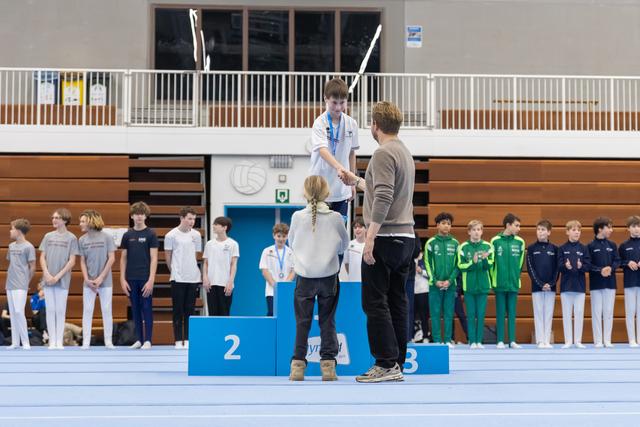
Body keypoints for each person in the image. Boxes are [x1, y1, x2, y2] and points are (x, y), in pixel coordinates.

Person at [339, 101, 415, 383]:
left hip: (385, 236)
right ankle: (396, 362)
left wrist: (369, 237)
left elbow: (383, 197)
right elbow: (384, 190)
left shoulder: (383, 153)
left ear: (375, 125)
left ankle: (384, 362)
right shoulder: (403, 152)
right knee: (397, 300)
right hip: (405, 237)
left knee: (374, 302)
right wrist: (356, 180)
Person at [288, 176, 349, 381]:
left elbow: (291, 243)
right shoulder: (336, 217)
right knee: (327, 321)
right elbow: (343, 245)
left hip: (305, 276)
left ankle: (297, 366)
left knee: (302, 322)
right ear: (327, 193)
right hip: (328, 276)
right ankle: (328, 367)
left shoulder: (297, 217)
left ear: (305, 193)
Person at [309, 77, 359, 220]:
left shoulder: (351, 124)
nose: (338, 107)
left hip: (341, 189)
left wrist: (353, 182)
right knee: (319, 232)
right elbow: (323, 150)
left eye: (342, 103)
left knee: (339, 234)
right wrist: (339, 167)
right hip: (319, 187)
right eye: (334, 103)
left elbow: (351, 152)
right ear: (326, 99)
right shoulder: (319, 123)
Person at [120, 202, 159, 350]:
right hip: (131, 277)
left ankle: (148, 340)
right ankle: (139, 339)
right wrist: (122, 279)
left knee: (146, 307)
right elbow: (123, 258)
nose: (139, 216)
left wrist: (151, 280)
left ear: (145, 216)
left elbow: (154, 258)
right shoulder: (127, 235)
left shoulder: (151, 234)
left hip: (145, 277)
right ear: (132, 216)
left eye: (142, 214)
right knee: (135, 308)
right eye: (136, 214)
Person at [39, 208, 78, 350]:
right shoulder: (48, 236)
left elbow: (72, 261)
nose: (54, 220)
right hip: (48, 279)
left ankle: (59, 341)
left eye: (57, 218)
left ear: (65, 220)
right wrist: (47, 274)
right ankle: (52, 341)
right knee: (50, 310)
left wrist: (57, 276)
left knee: (60, 310)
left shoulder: (72, 238)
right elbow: (42, 257)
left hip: (62, 280)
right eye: (53, 217)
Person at [164, 207, 202, 349]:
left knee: (189, 310)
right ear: (182, 218)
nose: (192, 221)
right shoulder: (171, 235)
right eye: (189, 218)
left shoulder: (197, 235)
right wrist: (174, 271)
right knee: (178, 310)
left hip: (193, 277)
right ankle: (178, 340)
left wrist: (191, 269)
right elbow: (168, 256)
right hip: (177, 277)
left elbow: (197, 255)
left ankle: (188, 339)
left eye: (194, 219)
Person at [78, 210, 116, 349]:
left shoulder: (106, 237)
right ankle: (86, 342)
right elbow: (82, 261)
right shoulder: (82, 240)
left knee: (106, 310)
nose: (80, 224)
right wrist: (87, 279)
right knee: (87, 310)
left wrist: (100, 278)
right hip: (88, 283)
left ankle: (108, 341)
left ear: (91, 221)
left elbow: (111, 258)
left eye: (82, 221)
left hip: (105, 281)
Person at [424, 212, 460, 347]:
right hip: (435, 285)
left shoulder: (455, 243)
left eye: (449, 224)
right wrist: (435, 281)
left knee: (449, 313)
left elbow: (458, 264)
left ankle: (447, 340)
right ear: (437, 225)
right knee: (435, 313)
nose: (446, 226)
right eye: (443, 223)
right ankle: (438, 340)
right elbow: (427, 263)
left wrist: (450, 280)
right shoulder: (431, 243)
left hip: (450, 285)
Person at [491, 213, 525, 349]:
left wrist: (516, 277)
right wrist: (494, 280)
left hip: (513, 283)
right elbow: (492, 263)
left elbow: (520, 263)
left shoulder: (520, 242)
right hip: (499, 283)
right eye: (516, 226)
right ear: (508, 225)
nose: (519, 228)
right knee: (500, 312)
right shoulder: (495, 241)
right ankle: (500, 340)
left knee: (512, 313)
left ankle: (512, 340)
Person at [458, 220, 494, 349]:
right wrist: (472, 263)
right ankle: (472, 341)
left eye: (479, 229)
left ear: (482, 231)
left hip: (483, 286)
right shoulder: (463, 247)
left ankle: (479, 341)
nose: (476, 232)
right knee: (471, 314)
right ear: (469, 232)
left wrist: (484, 260)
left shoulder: (488, 246)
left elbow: (489, 265)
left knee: (481, 314)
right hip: (469, 286)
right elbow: (460, 266)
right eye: (474, 230)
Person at [588, 216, 620, 348]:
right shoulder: (590, 246)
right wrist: (600, 270)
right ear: (600, 229)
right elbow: (587, 264)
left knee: (608, 311)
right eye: (609, 227)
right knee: (596, 312)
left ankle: (607, 339)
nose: (611, 230)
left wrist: (610, 268)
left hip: (610, 284)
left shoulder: (612, 245)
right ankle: (598, 340)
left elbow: (617, 261)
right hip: (596, 284)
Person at [527, 219, 559, 349]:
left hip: (551, 287)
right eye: (538, 229)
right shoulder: (531, 248)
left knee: (548, 313)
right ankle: (540, 340)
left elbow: (557, 269)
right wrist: (540, 284)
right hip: (537, 287)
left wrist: (550, 283)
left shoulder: (555, 249)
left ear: (549, 232)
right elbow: (530, 268)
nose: (540, 232)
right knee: (538, 312)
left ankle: (547, 340)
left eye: (543, 230)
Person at [558, 220, 589, 349]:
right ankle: (568, 341)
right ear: (567, 232)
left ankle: (577, 340)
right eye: (574, 230)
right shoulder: (562, 248)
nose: (577, 232)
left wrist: (582, 267)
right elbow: (558, 266)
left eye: (578, 230)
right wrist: (565, 266)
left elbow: (588, 266)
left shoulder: (584, 248)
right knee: (566, 314)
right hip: (566, 287)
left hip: (580, 287)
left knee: (579, 313)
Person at [5, 219, 36, 350]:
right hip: (10, 284)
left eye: (12, 229)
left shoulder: (28, 247)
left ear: (18, 231)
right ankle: (15, 342)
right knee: (13, 312)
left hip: (21, 284)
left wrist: (26, 282)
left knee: (19, 311)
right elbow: (11, 264)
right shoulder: (11, 246)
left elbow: (33, 267)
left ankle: (26, 342)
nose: (10, 231)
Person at [203, 217, 239, 316]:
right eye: (213, 224)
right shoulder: (209, 244)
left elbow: (233, 265)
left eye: (216, 224)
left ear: (224, 228)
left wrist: (230, 282)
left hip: (225, 284)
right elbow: (206, 263)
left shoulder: (233, 244)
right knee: (212, 313)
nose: (213, 226)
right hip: (211, 284)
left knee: (224, 313)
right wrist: (205, 277)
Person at [259, 223, 295, 317]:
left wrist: (285, 284)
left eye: (284, 236)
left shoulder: (291, 252)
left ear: (287, 237)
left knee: (285, 314)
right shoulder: (267, 251)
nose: (281, 239)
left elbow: (293, 270)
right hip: (271, 290)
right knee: (272, 313)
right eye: (279, 236)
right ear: (274, 236)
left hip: (286, 289)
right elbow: (264, 270)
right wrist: (275, 285)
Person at [619, 215, 640, 347]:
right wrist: (627, 263)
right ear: (628, 229)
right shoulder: (623, 246)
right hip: (630, 283)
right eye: (633, 226)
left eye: (638, 226)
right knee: (630, 311)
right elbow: (618, 262)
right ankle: (632, 339)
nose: (636, 229)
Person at [413, 254, 431, 342]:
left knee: (424, 315)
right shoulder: (410, 260)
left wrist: (421, 271)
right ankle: (412, 336)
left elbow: (431, 274)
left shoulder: (425, 261)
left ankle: (425, 336)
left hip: (423, 291)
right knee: (411, 315)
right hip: (412, 292)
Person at [344, 217, 366, 282]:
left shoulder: (370, 246)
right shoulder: (348, 245)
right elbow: (346, 264)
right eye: (355, 228)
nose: (357, 229)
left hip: (367, 282)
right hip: (353, 281)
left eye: (360, 227)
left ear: (366, 229)